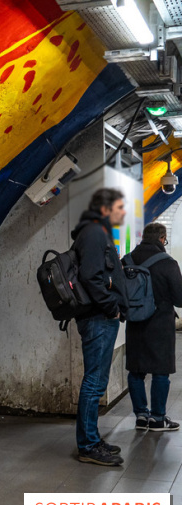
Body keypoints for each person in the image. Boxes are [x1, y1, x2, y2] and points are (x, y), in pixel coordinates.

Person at [71, 188, 128, 466]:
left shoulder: (97, 232)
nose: (123, 212)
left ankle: (91, 438)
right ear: (105, 209)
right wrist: (112, 308)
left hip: (100, 317)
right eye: (119, 207)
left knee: (97, 381)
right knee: (94, 382)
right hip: (97, 318)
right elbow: (91, 277)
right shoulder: (94, 233)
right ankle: (88, 445)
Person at [125, 223, 182, 432]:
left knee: (136, 370)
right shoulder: (168, 263)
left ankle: (141, 416)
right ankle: (157, 418)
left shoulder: (127, 260)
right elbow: (179, 298)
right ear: (161, 238)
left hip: (135, 322)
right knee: (160, 372)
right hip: (160, 324)